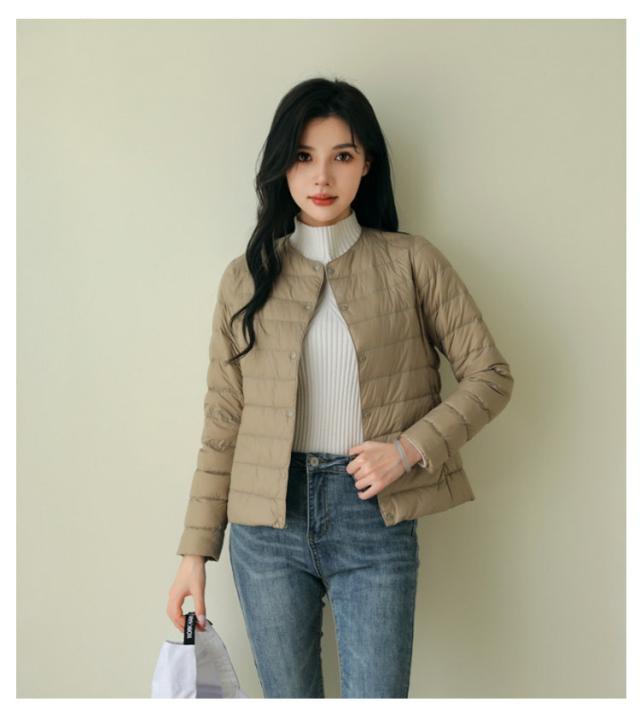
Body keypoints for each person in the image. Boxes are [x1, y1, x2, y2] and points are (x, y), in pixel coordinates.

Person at [166, 76, 514, 698]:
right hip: (266, 528)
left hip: (373, 517)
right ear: (283, 166)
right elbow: (223, 424)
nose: (321, 176)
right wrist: (194, 556)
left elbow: (489, 375)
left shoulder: (412, 262)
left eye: (342, 156)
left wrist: (406, 449)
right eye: (304, 156)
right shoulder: (246, 278)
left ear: (366, 164)